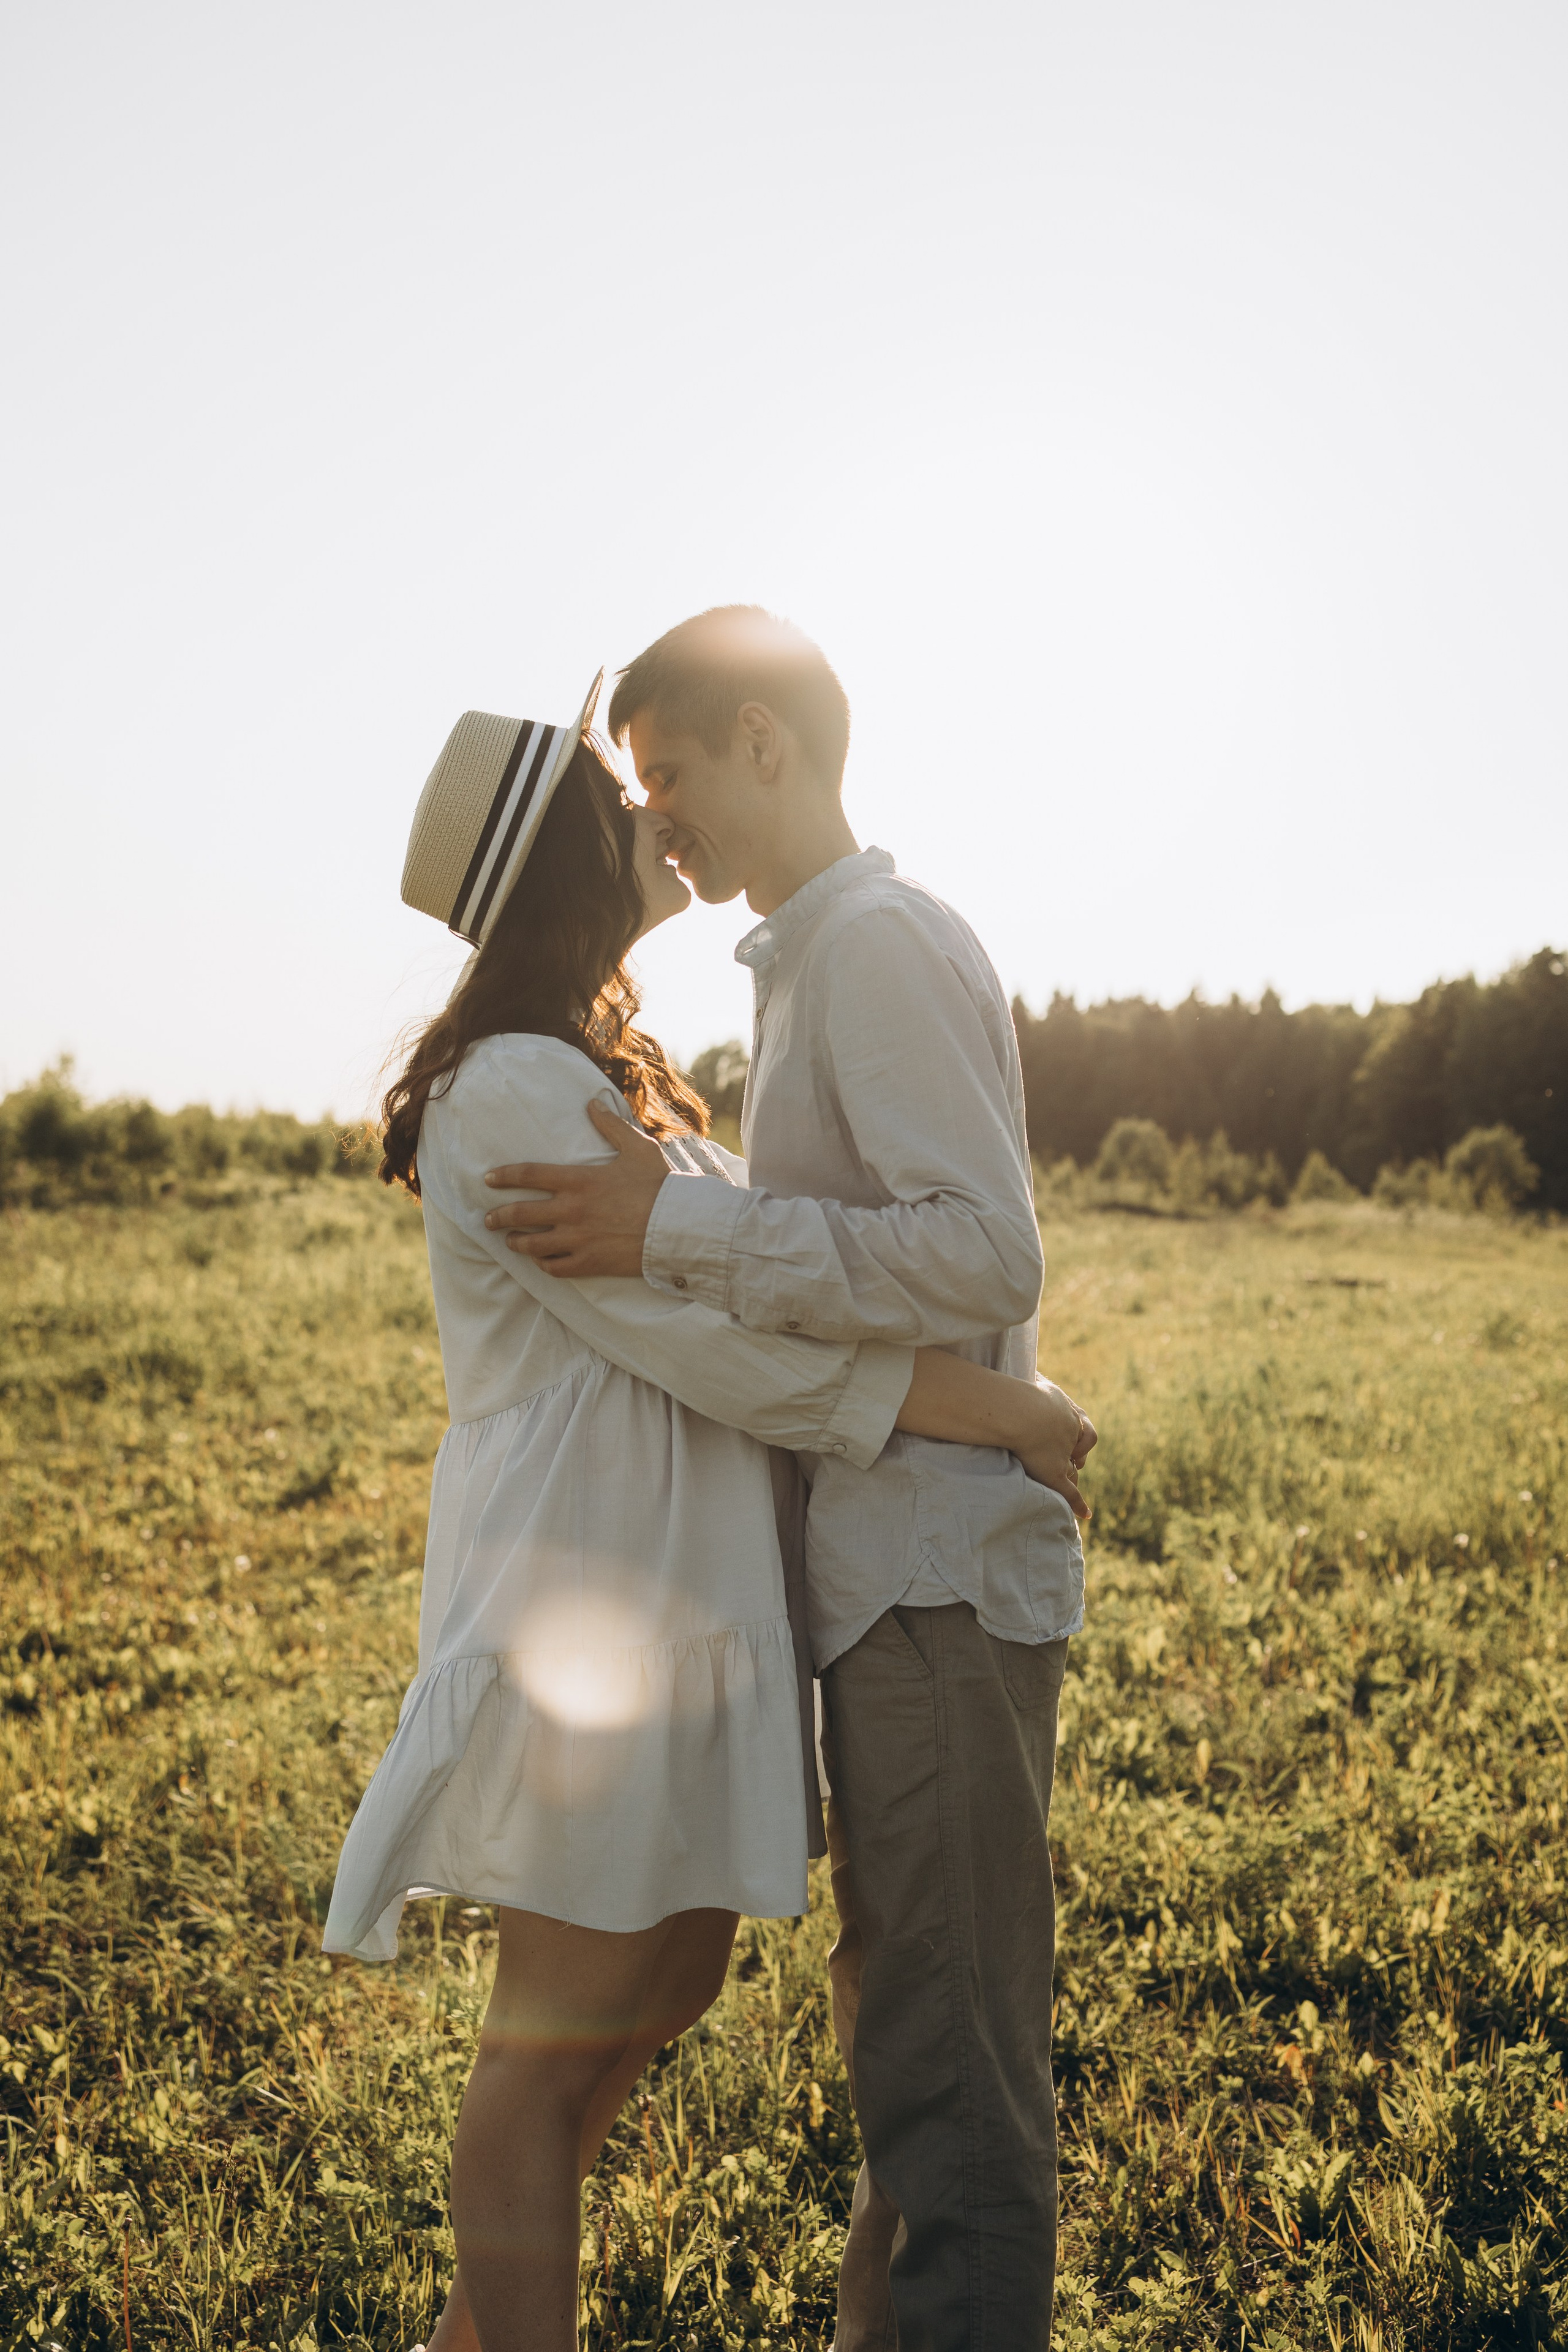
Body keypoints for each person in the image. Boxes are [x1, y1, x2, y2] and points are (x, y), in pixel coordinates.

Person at [323, 670, 1094, 2352]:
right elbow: (719, 1345)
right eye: (625, 796)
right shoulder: (517, 1094)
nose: (654, 814)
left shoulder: (618, 1068)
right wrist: (983, 1403)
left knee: (643, 2007)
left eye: (664, 777)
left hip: (687, 1604)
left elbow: (759, 1268)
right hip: (592, 1603)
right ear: (560, 864)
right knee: (548, 2053)